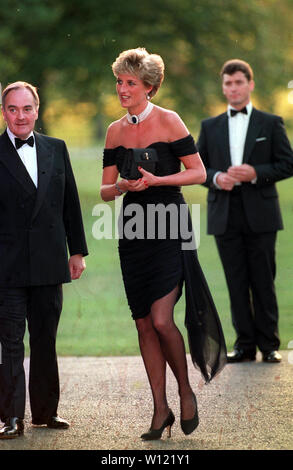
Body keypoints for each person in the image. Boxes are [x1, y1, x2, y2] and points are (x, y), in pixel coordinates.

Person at [101, 48, 226, 440]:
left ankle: (186, 391)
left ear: (149, 87)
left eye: (130, 83)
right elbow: (106, 191)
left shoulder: (170, 121)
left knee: (161, 319)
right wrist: (120, 186)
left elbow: (199, 173)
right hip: (134, 233)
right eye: (120, 81)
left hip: (170, 227)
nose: (122, 89)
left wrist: (157, 182)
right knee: (142, 324)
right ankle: (160, 410)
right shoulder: (114, 131)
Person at [0, 81, 88, 439]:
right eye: (12, 109)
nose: (20, 116)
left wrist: (77, 250)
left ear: (38, 110)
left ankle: (45, 413)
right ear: (4, 112)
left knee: (45, 339)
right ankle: (10, 418)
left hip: (50, 261)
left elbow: (70, 202)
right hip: (6, 264)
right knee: (9, 342)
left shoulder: (56, 147)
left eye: (27, 108)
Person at [197, 59, 293, 364]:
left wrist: (255, 172)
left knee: (263, 280)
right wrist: (216, 178)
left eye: (238, 82)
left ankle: (269, 345)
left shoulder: (271, 123)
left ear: (250, 84)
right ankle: (244, 345)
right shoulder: (209, 127)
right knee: (235, 281)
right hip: (224, 213)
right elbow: (198, 168)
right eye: (228, 83)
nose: (233, 88)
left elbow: (287, 163)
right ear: (223, 86)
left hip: (261, 213)